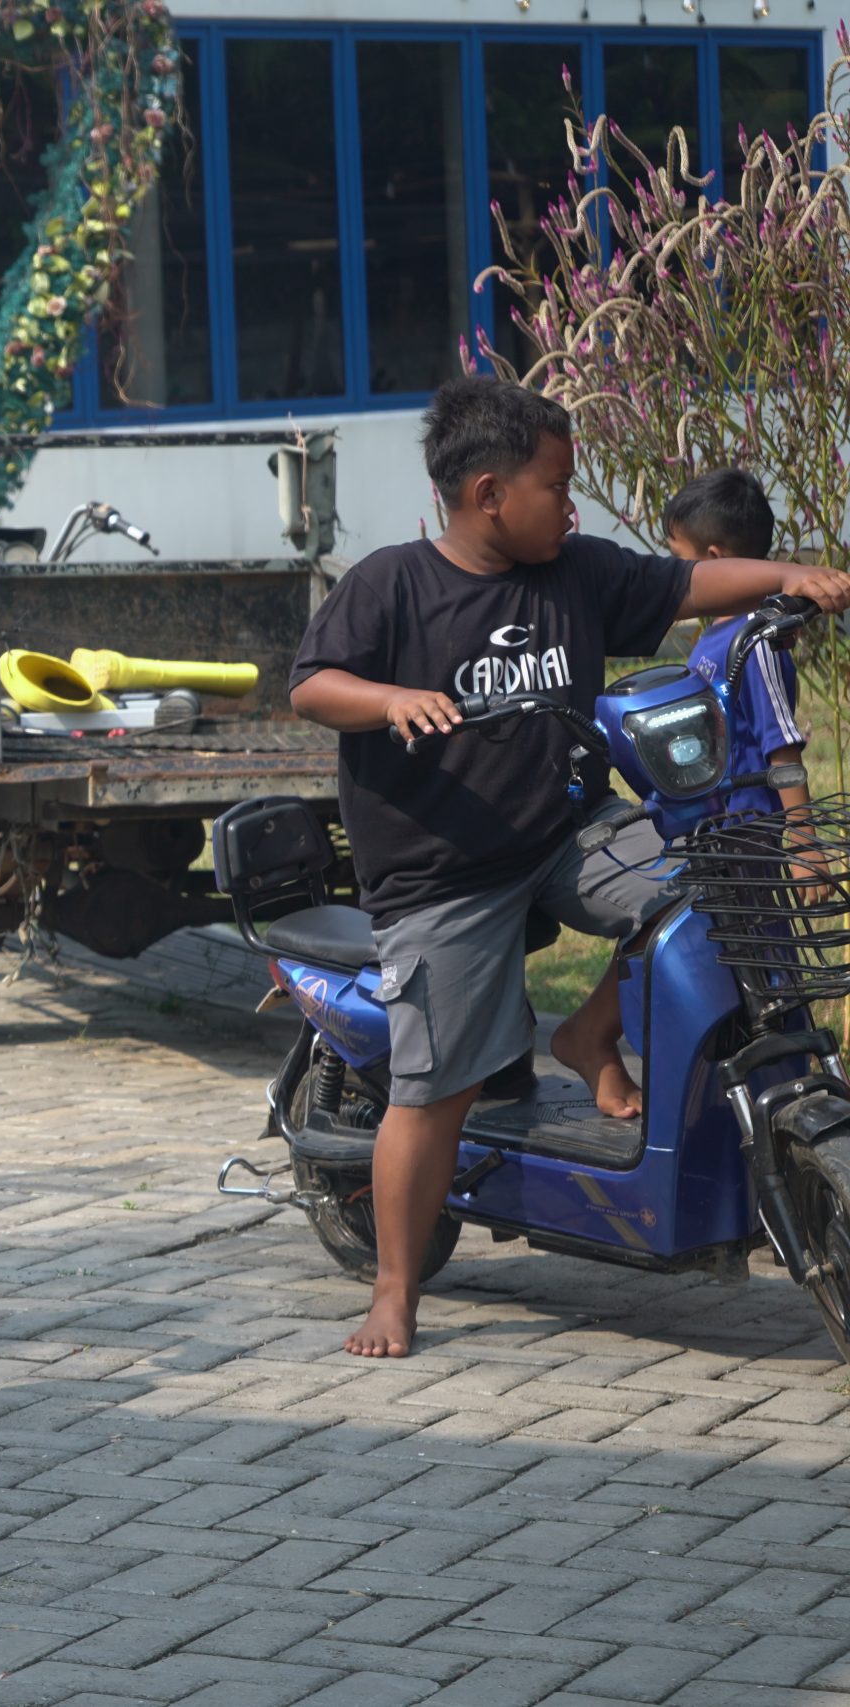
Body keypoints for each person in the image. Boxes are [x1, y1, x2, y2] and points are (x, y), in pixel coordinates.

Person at [288, 376, 850, 1360]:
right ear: (486, 493)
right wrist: (388, 701)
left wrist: (786, 576)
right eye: (555, 485)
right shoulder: (390, 585)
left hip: (567, 829)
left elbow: (685, 587)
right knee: (436, 1088)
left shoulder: (576, 573)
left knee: (708, 888)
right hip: (441, 871)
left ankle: (589, 1038)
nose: (571, 503)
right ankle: (391, 1288)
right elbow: (311, 685)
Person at [669, 469, 812, 821]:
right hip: (718, 823)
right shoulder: (720, 627)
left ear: (715, 561)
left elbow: (781, 744)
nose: (671, 572)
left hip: (750, 831)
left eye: (677, 559)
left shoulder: (757, 639)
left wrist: (804, 844)